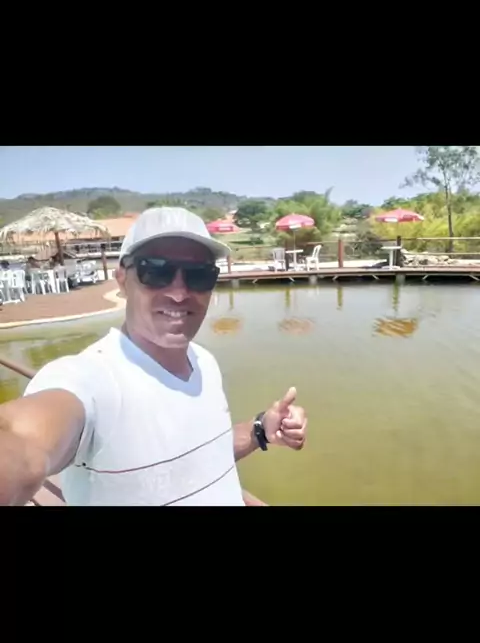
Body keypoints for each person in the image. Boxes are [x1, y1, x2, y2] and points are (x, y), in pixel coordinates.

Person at [0, 208, 307, 506]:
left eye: (199, 275)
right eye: (156, 271)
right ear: (122, 279)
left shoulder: (205, 362)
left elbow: (204, 455)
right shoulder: (92, 378)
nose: (179, 293)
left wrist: (259, 429)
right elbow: (20, 441)